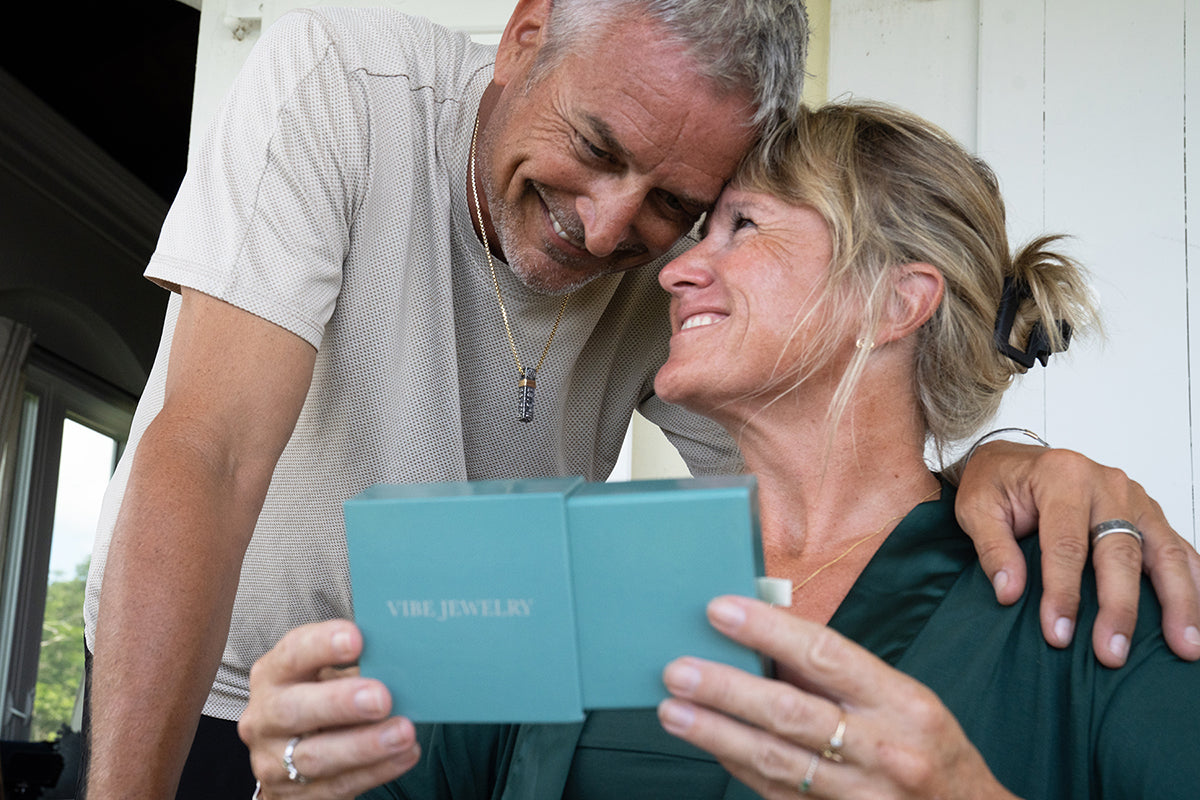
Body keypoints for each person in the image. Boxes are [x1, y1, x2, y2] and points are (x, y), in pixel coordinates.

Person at [84, 2, 1200, 798]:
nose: (640, 251)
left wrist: (1005, 459)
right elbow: (208, 455)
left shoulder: (1095, 602)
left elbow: (853, 486)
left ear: (893, 300)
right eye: (596, 148)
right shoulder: (342, 85)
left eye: (714, 217)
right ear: (523, 39)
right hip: (226, 685)